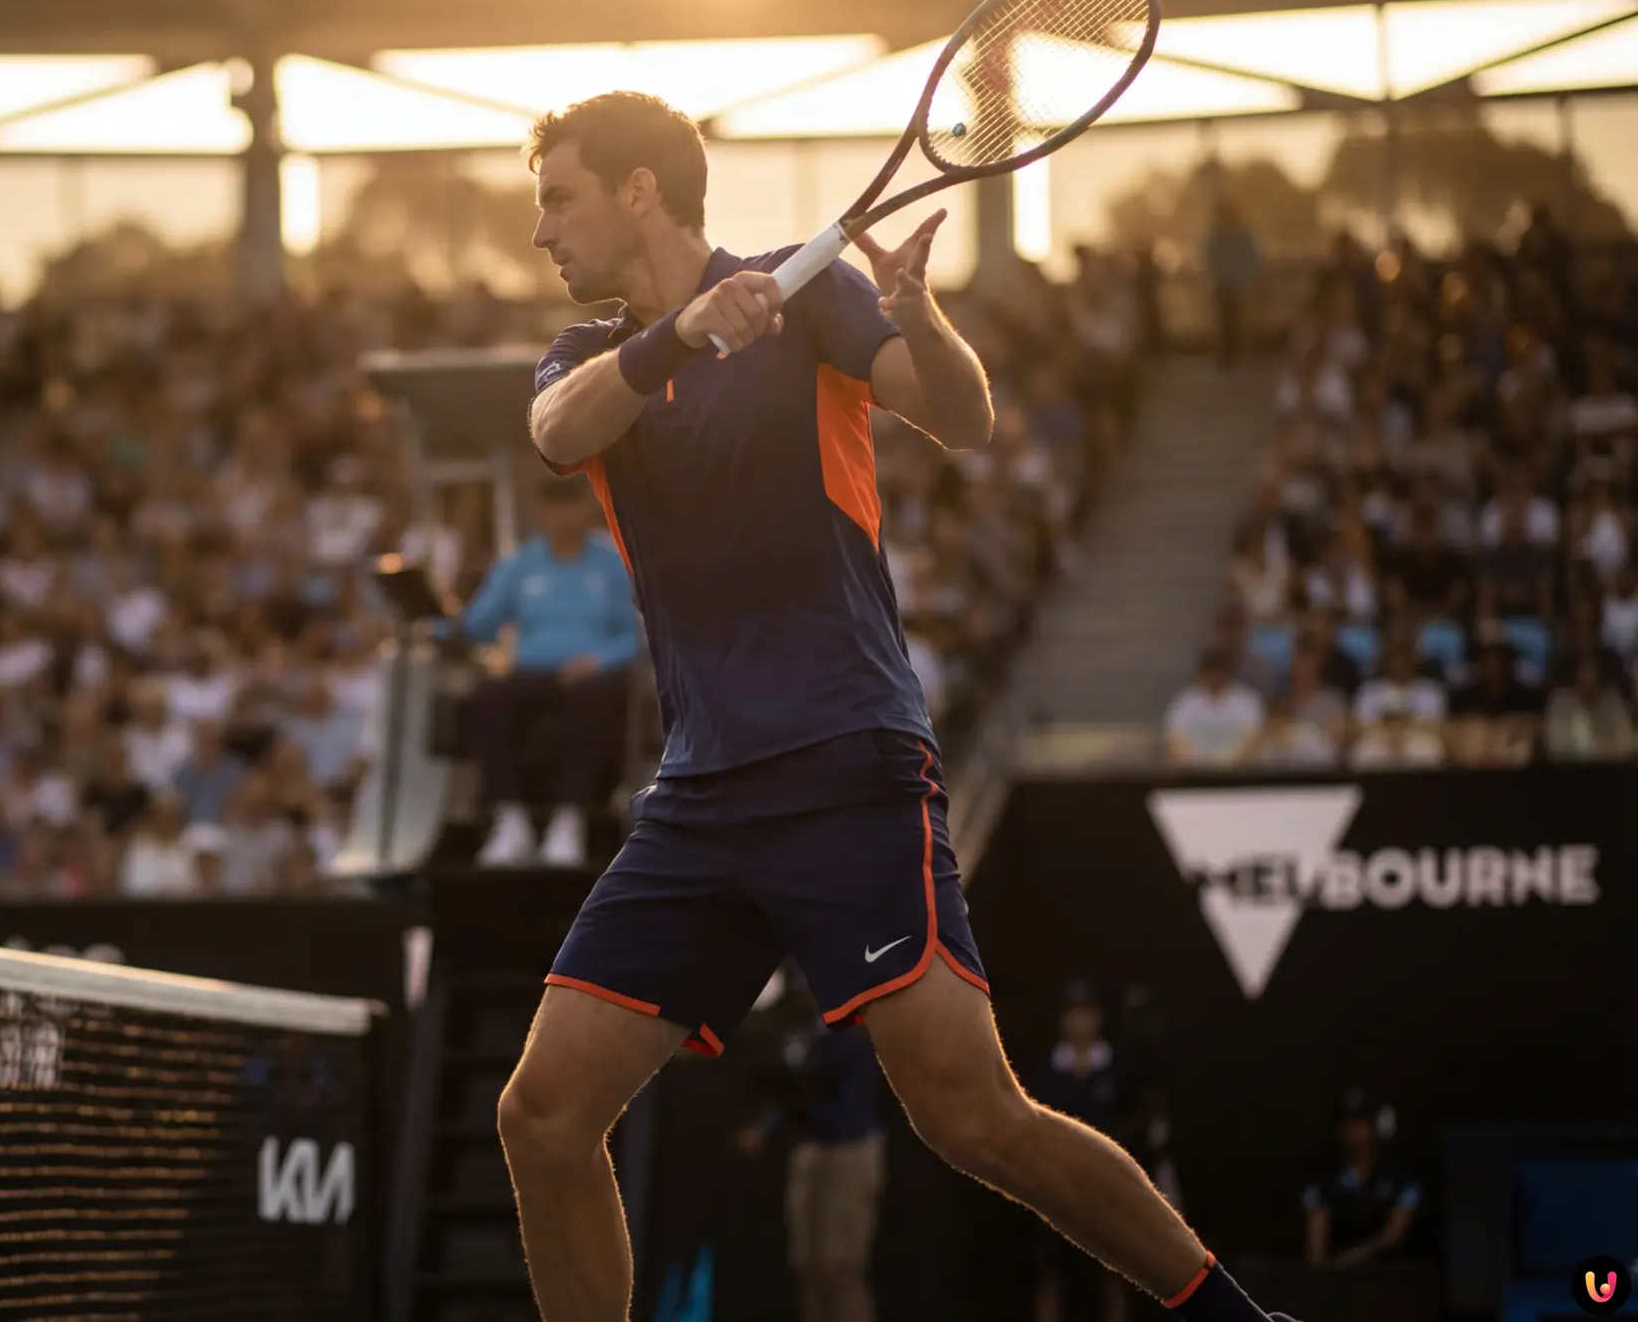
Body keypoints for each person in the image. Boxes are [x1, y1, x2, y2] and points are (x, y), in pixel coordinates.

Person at [495, 91, 1291, 1322]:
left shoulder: (804, 294)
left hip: (843, 763)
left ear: (640, 189)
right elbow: (556, 431)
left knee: (974, 1118)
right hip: (701, 797)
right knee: (540, 1116)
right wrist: (683, 333)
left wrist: (921, 312)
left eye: (559, 198)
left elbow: (959, 414)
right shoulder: (585, 362)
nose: (542, 230)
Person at [462, 475, 639, 868]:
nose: (562, 514)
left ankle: (570, 820)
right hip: (531, 674)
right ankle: (510, 820)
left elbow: (635, 634)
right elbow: (478, 624)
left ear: (586, 507)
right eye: (554, 504)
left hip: (591, 675)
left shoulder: (610, 565)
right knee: (488, 696)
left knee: (593, 697)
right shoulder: (521, 565)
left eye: (570, 502)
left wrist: (599, 660)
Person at [736, 969, 885, 1322]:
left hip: (848, 1150)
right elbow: (795, 1095)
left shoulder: (851, 1037)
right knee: (809, 1266)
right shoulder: (805, 1038)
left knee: (841, 1267)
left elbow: (822, 1090)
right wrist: (766, 1129)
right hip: (813, 1150)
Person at [1028, 982, 1133, 1322]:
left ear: (1098, 1018)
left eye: (1086, 1013)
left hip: (1108, 1188)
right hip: (1058, 1187)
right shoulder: (1047, 1073)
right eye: (1073, 1014)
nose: (1079, 1022)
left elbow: (1133, 1124)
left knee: (1114, 1274)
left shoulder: (1118, 1070)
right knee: (1052, 1275)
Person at [1301, 1090, 1419, 1270]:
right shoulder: (1322, 1185)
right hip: (1339, 1281)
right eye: (1348, 1124)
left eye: (1362, 1123)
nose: (1354, 1131)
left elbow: (1395, 1235)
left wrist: (1356, 1256)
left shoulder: (1401, 1180)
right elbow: (1315, 1249)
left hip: (1393, 1278)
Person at [1162, 650, 1266, 767]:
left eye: (1219, 672)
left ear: (1228, 673)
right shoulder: (1184, 702)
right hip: (1194, 773)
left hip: (1237, 772)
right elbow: (1175, 742)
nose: (1215, 677)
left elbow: (1253, 740)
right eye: (1210, 672)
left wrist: (1228, 761)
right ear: (1202, 673)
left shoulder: (1247, 700)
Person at [1203, 196, 1263, 370]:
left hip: (1242, 286)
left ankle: (1241, 354)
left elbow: (1254, 260)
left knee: (1241, 321)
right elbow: (1208, 262)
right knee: (1224, 321)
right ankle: (1226, 355)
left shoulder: (1245, 235)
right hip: (1222, 286)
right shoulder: (1213, 236)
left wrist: (1248, 282)